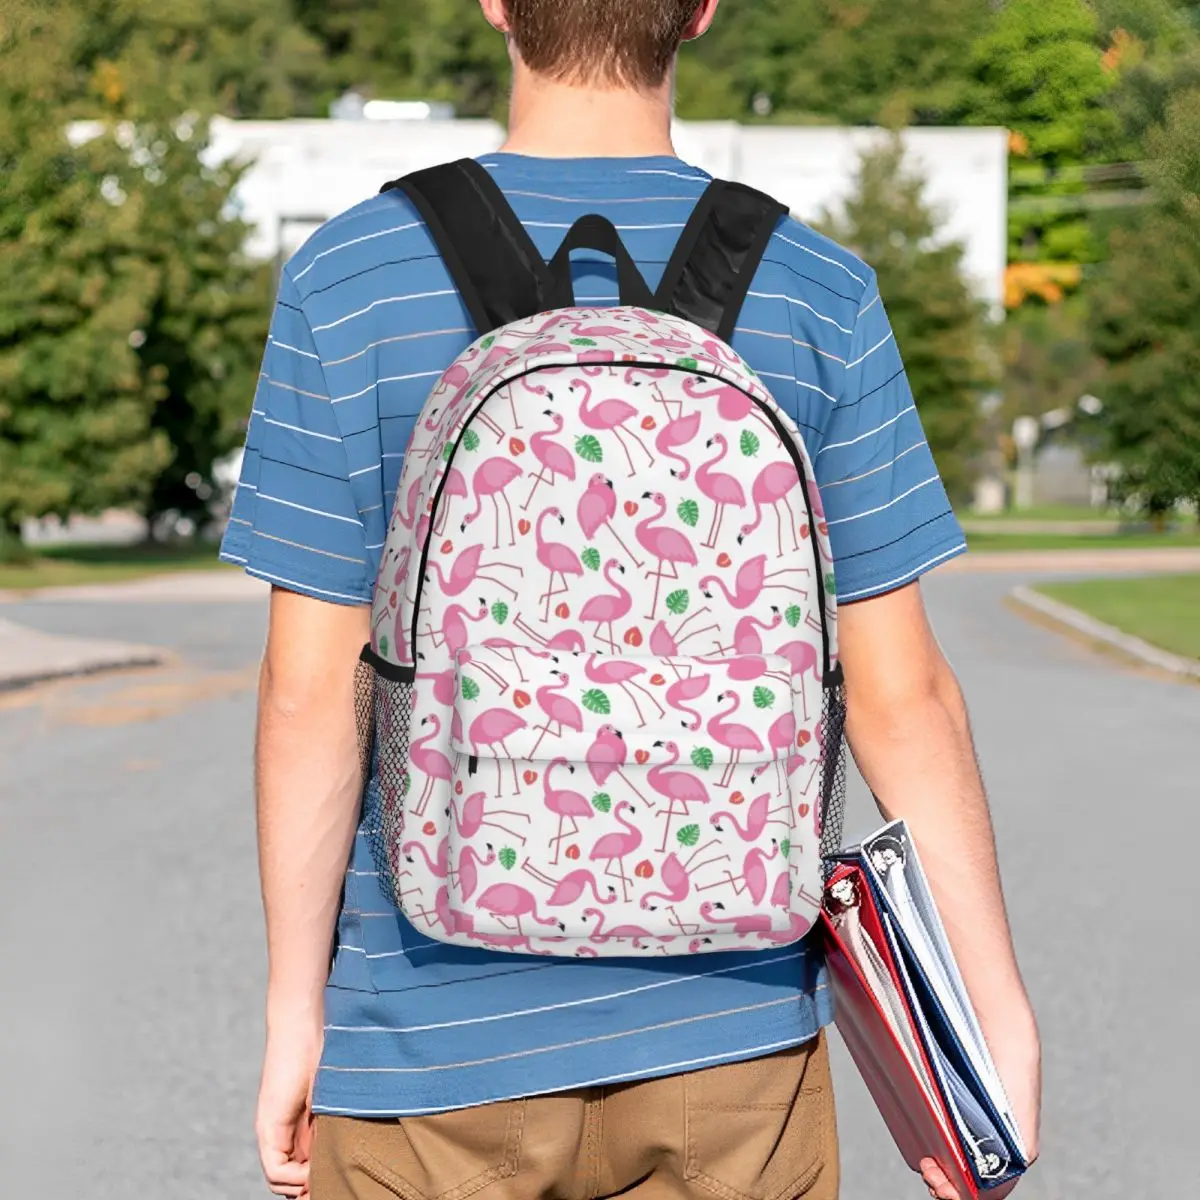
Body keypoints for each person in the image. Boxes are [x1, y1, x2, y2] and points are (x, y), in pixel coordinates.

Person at [220, 3, 1041, 1198]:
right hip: (734, 1042)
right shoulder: (819, 290)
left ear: (497, 3)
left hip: (427, 1045)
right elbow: (901, 694)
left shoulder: (350, 280)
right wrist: (988, 1012)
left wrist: (298, 1012)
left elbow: (308, 692)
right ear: (702, 9)